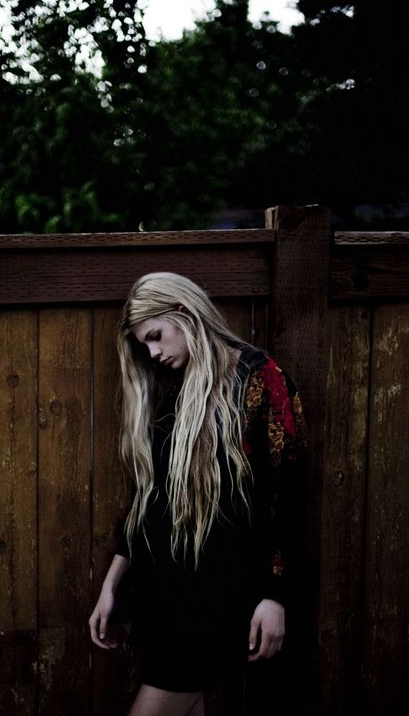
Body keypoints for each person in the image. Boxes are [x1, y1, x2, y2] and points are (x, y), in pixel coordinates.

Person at [89, 272, 307, 716]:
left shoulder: (260, 379)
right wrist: (111, 585)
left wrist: (275, 595)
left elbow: (287, 496)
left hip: (214, 602)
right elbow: (150, 501)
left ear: (184, 312)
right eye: (144, 346)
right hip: (163, 602)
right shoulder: (177, 390)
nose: (153, 353)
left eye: (155, 336)